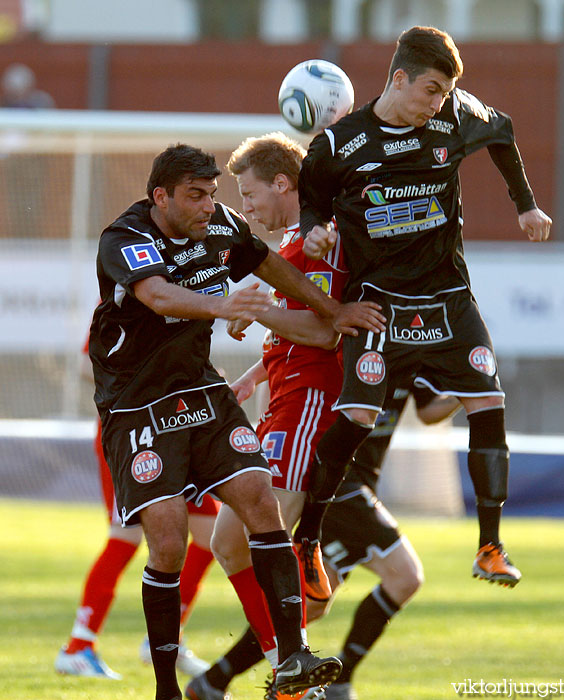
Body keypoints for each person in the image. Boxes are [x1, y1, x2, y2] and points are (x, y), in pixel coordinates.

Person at [88, 143, 384, 700]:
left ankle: (292, 657)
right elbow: (156, 295)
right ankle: (165, 689)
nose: (209, 206)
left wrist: (334, 310)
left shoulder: (218, 224)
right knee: (170, 543)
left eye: (213, 194)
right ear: (161, 197)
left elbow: (268, 264)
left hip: (200, 387)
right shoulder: (123, 238)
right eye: (195, 196)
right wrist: (224, 305)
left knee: (257, 496)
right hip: (136, 405)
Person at [293, 25, 552, 590]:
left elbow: (502, 133)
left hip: (448, 299)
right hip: (378, 305)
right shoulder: (340, 145)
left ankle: (490, 546)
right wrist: (314, 231)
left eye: (444, 93)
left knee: (488, 399)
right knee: (358, 419)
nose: (437, 103)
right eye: (430, 90)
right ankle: (306, 539)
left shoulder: (454, 115)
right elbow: (311, 203)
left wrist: (526, 206)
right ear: (399, 78)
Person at [184, 132, 379, 700]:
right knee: (228, 543)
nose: (246, 210)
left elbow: (323, 330)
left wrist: (261, 309)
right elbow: (294, 333)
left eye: (249, 196)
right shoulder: (294, 246)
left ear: (282, 183)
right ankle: (286, 662)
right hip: (282, 403)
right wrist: (254, 374)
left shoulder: (315, 247)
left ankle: (296, 671)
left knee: (267, 533)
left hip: (310, 404)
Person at [200, 382, 461, 700]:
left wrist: (467, 389)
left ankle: (218, 678)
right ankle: (333, 681)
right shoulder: (356, 342)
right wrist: (257, 381)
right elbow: (292, 359)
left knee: (312, 604)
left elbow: (428, 411)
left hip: (357, 482)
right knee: (406, 576)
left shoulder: (414, 351)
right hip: (338, 482)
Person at [54, 417, 218, 680]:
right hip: (130, 428)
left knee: (211, 535)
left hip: (176, 430)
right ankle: (78, 646)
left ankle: (167, 640)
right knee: (125, 536)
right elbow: (90, 373)